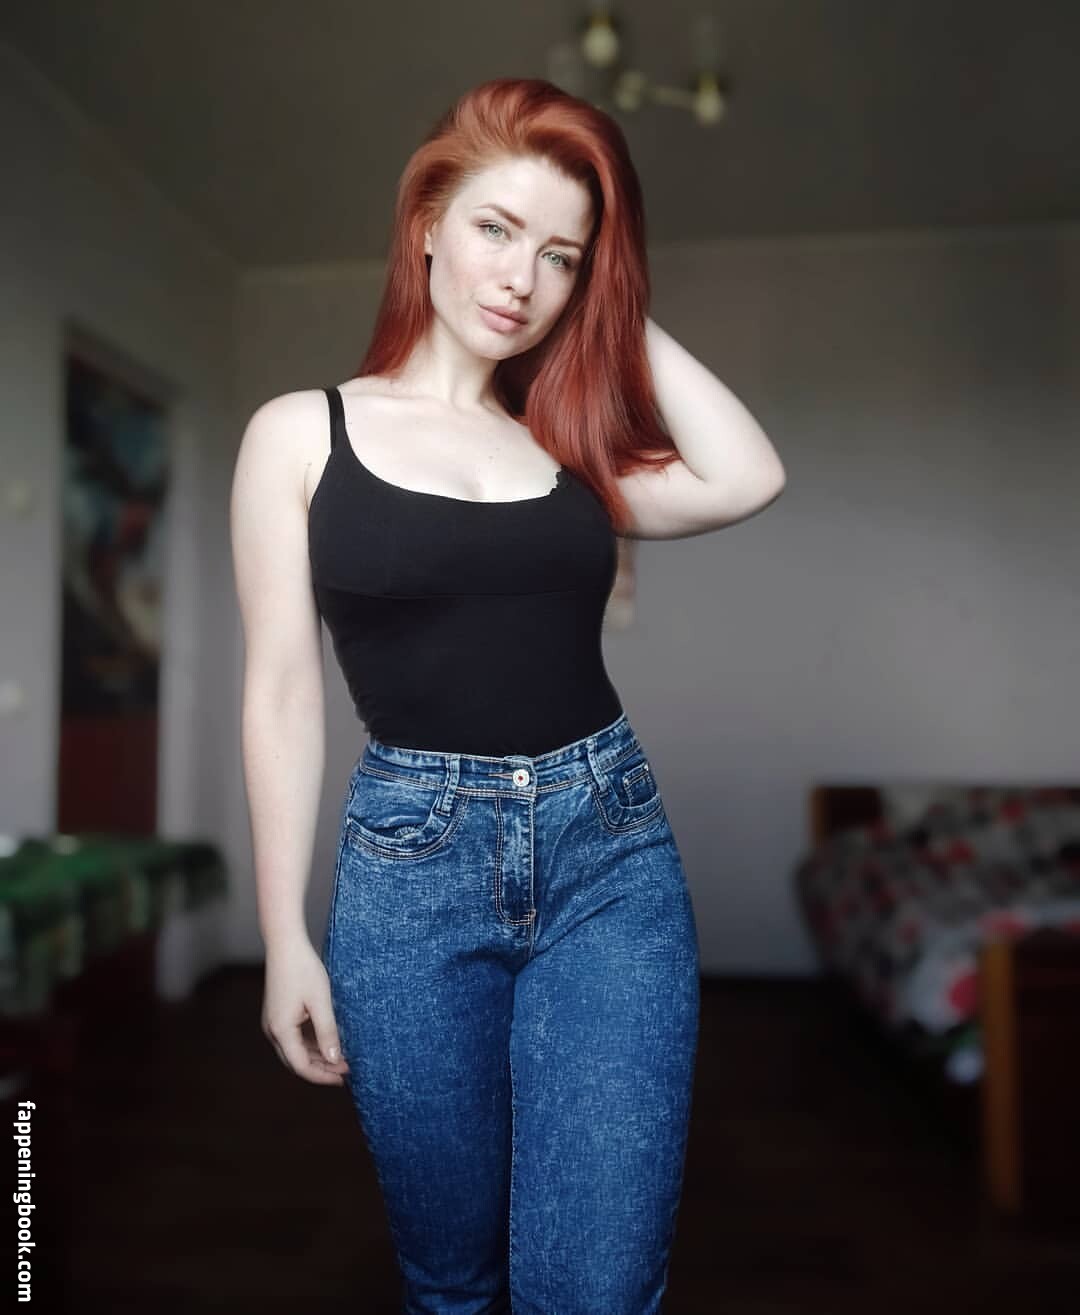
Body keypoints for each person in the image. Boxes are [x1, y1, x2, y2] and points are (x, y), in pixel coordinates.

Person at [230, 77, 784, 1315]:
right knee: (453, 1281)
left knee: (593, 1290)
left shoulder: (567, 442)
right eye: (495, 228)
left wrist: (615, 301)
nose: (521, 279)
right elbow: (280, 692)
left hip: (611, 858)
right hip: (410, 874)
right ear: (427, 221)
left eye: (560, 255)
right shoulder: (301, 434)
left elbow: (748, 474)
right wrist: (283, 937)